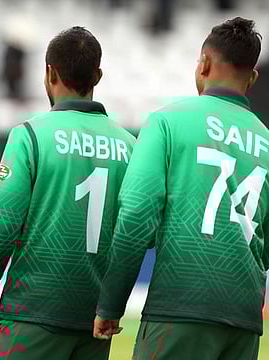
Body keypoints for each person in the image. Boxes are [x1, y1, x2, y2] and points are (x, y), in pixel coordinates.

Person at [94, 17, 268, 360]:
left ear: (203, 64)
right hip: (245, 319)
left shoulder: (168, 122)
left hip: (178, 307)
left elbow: (136, 217)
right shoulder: (267, 141)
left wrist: (111, 302)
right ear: (252, 78)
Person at [0, 26, 136, 360]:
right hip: (94, 321)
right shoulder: (130, 146)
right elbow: (136, 236)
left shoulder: (30, 135)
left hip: (31, 313)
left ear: (49, 73)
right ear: (98, 75)